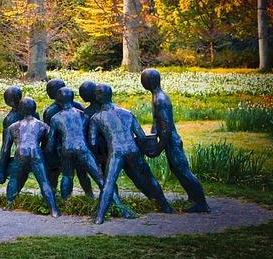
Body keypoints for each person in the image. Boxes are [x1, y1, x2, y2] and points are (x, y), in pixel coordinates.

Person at [46, 88, 137, 219]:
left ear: (58, 101)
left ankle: (66, 204)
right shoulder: (83, 115)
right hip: (83, 148)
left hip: (67, 149)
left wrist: (51, 154)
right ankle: (121, 208)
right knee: (101, 180)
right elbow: (90, 137)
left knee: (67, 176)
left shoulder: (55, 118)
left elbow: (50, 144)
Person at [89, 84, 173, 224]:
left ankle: (99, 217)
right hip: (133, 150)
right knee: (150, 178)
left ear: (98, 97)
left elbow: (92, 143)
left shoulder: (96, 118)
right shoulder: (127, 113)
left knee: (109, 183)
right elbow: (141, 136)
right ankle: (165, 206)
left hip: (116, 152)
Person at [141, 68, 210, 213]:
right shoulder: (155, 97)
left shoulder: (161, 99)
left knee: (183, 170)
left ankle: (202, 203)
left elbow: (166, 129)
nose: (142, 82)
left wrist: (158, 148)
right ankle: (193, 197)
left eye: (143, 79)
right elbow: (156, 121)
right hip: (168, 141)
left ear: (150, 81)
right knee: (176, 169)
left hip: (172, 141)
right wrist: (152, 136)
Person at [0, 97, 61, 217]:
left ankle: (9, 204)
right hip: (36, 152)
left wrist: (2, 170)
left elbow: (5, 150)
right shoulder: (43, 126)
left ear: (20, 110)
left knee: (14, 179)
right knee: (44, 181)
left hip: (20, 152)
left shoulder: (13, 127)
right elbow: (52, 145)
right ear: (34, 109)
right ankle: (54, 210)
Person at [43, 79, 93, 197]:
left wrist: (49, 151)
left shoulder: (50, 112)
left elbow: (49, 135)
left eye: (49, 90)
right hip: (80, 145)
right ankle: (89, 195)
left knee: (63, 174)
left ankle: (58, 197)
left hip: (62, 148)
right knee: (81, 173)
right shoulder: (78, 107)